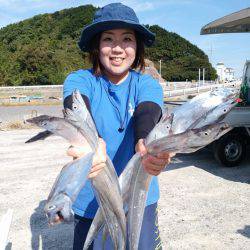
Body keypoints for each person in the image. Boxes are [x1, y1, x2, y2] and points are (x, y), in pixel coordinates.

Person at [63, 3, 173, 250]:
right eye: (108, 39)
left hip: (138, 197)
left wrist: (145, 142)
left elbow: (148, 110)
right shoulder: (80, 79)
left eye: (127, 39)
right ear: (96, 45)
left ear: (137, 46)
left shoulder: (147, 84)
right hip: (91, 200)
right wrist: (92, 142)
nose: (118, 48)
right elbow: (76, 106)